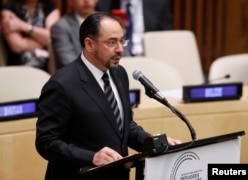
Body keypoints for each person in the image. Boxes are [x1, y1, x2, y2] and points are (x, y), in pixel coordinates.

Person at [35, 12, 181, 180]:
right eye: (112, 42)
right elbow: (46, 142)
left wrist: (153, 142)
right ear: (89, 44)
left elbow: (124, 127)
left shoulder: (119, 74)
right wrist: (91, 157)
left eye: (122, 41)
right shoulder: (62, 84)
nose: (120, 49)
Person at [96, 0, 173, 56]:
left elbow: (167, 38)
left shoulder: (158, 3)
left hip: (148, 57)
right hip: (116, 57)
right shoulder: (104, 4)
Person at [0, 0, 60, 71]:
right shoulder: (8, 9)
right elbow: (17, 46)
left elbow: (53, 38)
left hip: (46, 69)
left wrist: (21, 25)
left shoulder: (50, 8)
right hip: (17, 67)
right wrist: (44, 40)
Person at [51, 0, 99, 68]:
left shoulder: (110, 22)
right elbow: (68, 62)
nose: (86, 1)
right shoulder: (61, 27)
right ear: (70, 1)